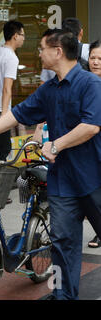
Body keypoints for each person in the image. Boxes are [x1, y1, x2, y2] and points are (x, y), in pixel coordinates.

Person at [0, 29, 101, 300]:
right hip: (63, 181)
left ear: (58, 51)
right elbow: (17, 114)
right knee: (62, 244)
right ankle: (63, 296)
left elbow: (90, 127)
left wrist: (55, 145)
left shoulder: (91, 84)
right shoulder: (48, 89)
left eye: (42, 48)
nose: (38, 53)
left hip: (95, 177)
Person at [0, 20, 25, 162]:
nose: (23, 39)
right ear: (15, 36)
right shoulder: (11, 58)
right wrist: (4, 115)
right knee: (3, 149)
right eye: (22, 35)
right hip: (0, 109)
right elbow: (7, 89)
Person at [40, 17, 89, 84]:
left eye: (42, 49)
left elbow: (43, 82)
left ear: (59, 52)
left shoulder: (52, 54)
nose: (40, 54)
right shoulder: (90, 49)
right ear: (81, 32)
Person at [86, 40, 101, 249]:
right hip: (88, 146)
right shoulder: (84, 83)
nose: (96, 62)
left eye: (100, 59)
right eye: (92, 58)